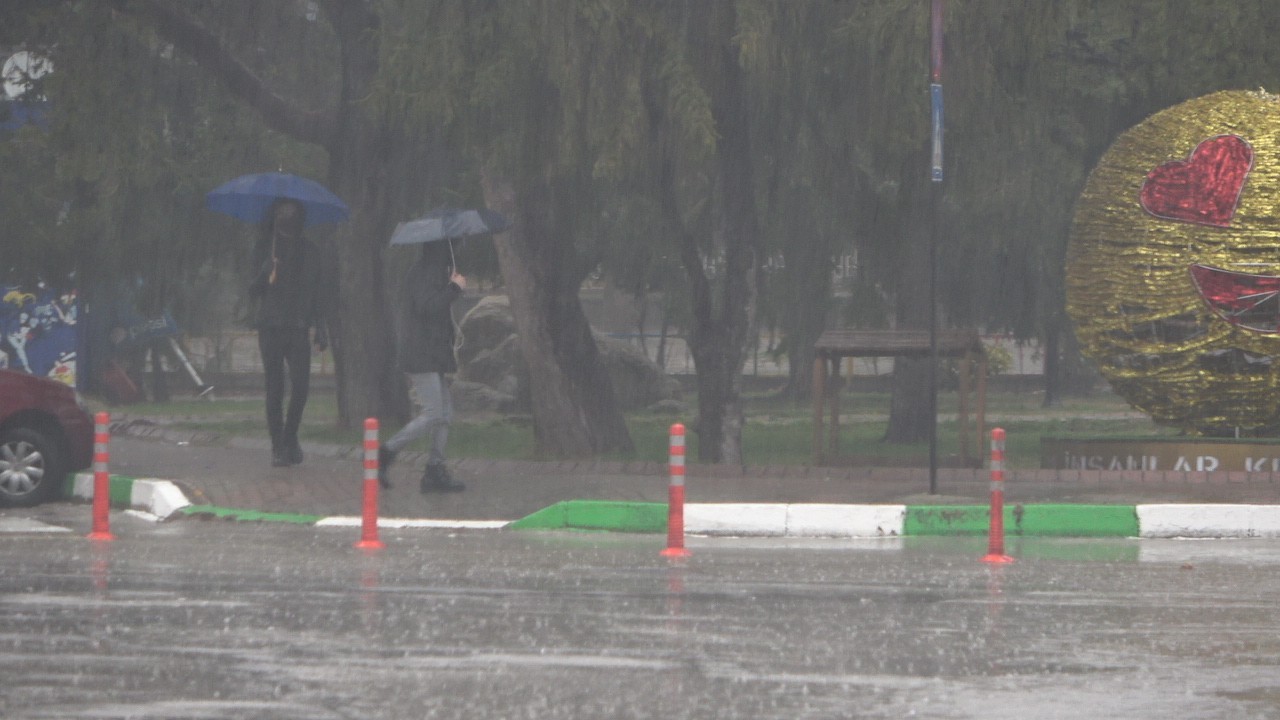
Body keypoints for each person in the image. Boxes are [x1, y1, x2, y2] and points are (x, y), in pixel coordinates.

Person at [378, 240, 466, 492]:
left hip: (432, 353)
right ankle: (385, 454)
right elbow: (428, 307)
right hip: (421, 353)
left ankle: (435, 469)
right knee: (433, 414)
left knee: (445, 414)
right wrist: (453, 289)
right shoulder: (422, 273)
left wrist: (450, 285)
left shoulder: (435, 271)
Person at [249, 198, 330, 467]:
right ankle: (277, 446)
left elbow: (318, 292)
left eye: (292, 212)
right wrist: (266, 272)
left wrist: (321, 326)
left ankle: (289, 436)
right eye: (282, 211)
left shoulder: (311, 251)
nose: (287, 216)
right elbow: (252, 291)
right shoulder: (265, 248)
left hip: (298, 327)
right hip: (271, 327)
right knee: (275, 387)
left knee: (301, 387)